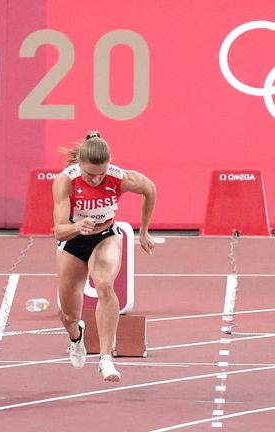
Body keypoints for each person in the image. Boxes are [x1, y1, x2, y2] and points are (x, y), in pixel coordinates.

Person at [52, 131, 156, 382]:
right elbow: (59, 231)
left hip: (105, 236)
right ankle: (76, 337)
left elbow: (149, 189)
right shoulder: (66, 180)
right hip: (73, 241)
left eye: (101, 173)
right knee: (69, 315)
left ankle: (106, 358)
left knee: (105, 285)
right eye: (90, 175)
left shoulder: (119, 177)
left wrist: (144, 231)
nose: (96, 180)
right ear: (80, 166)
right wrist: (78, 226)